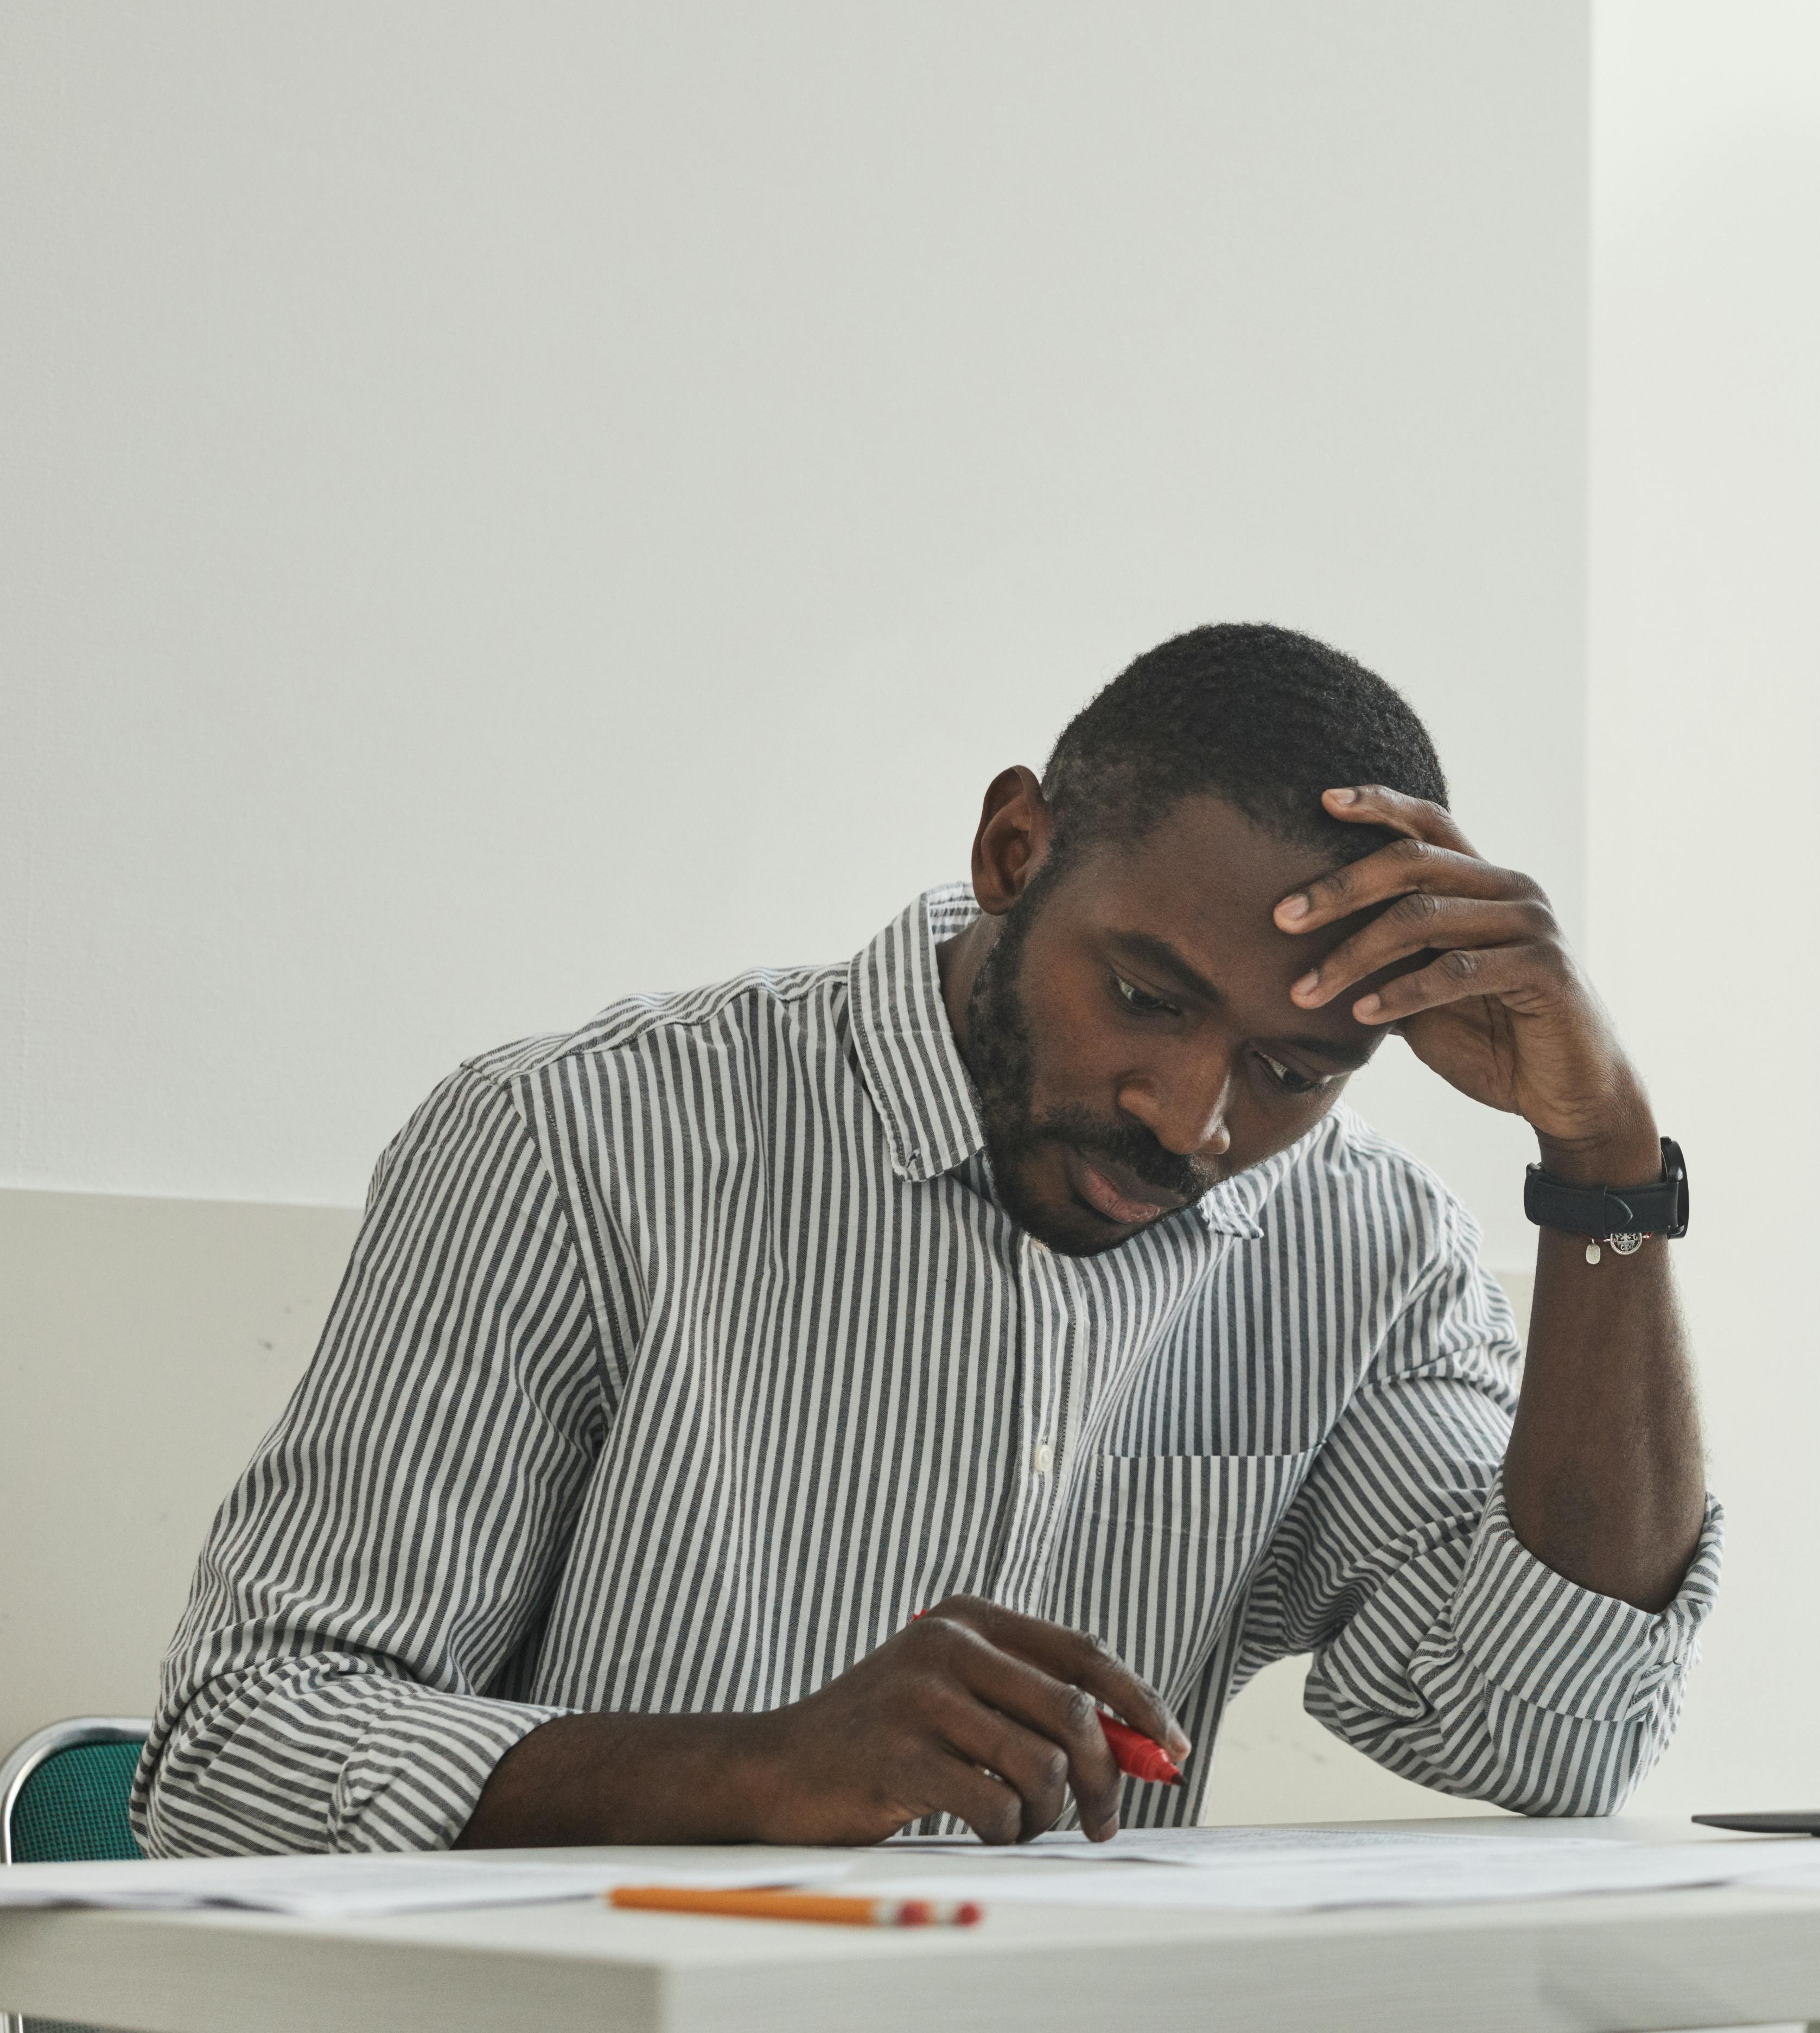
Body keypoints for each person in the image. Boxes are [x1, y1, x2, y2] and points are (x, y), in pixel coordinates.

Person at [137, 623, 1714, 1859]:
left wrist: (1606, 1166)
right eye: (1145, 999)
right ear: (1014, 850)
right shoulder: (573, 1143)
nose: (1190, 1119)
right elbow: (235, 1756)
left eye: (1295, 1073)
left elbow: (1547, 1735)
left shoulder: (1367, 1253)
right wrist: (757, 1772)